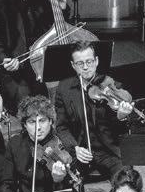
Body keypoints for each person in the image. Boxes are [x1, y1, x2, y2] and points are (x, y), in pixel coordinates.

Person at [53, 40, 131, 183]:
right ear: (73, 65)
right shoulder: (64, 89)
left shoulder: (110, 86)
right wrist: (75, 148)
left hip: (108, 152)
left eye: (89, 62)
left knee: (125, 180)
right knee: (61, 176)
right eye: (80, 63)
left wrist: (121, 116)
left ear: (96, 61)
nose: (85, 67)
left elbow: (121, 130)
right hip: (79, 153)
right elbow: (61, 127)